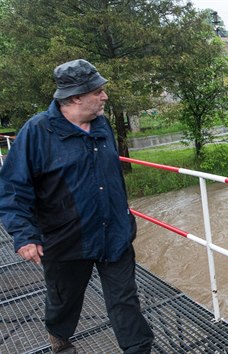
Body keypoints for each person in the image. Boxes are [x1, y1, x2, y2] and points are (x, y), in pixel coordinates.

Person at [0, 59, 154, 353]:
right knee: (64, 299)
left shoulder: (102, 124)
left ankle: (138, 349)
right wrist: (24, 234)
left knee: (125, 299)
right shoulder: (37, 132)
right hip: (66, 240)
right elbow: (12, 187)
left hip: (114, 234)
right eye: (98, 91)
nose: (104, 97)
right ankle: (59, 337)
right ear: (75, 97)